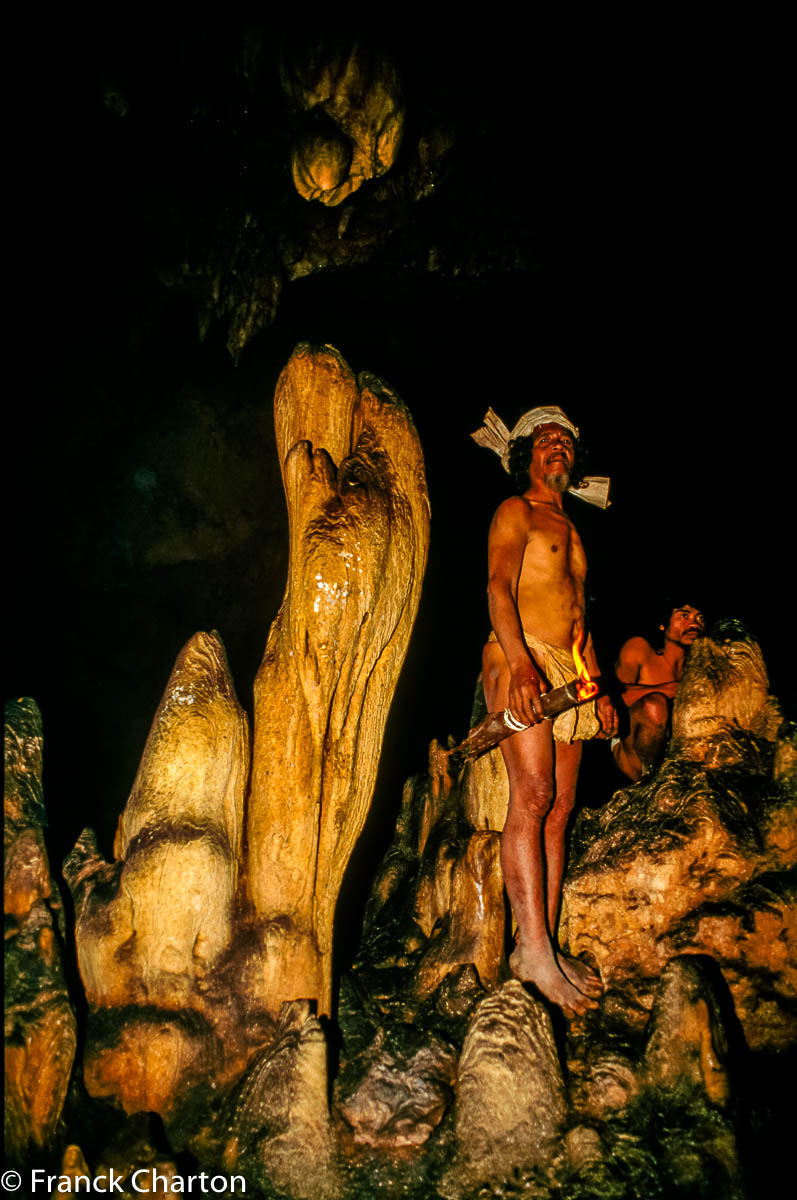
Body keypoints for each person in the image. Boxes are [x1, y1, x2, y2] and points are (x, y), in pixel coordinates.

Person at [471, 406, 618, 1017]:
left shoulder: (575, 530)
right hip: (519, 656)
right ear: (526, 455)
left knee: (559, 809)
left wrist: (599, 686)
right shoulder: (516, 513)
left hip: (571, 671)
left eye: (565, 441)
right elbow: (497, 589)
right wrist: (521, 662)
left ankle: (544, 947)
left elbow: (578, 617)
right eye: (545, 440)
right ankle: (529, 951)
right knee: (531, 795)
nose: (557, 446)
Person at [610, 601, 705, 781]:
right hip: (631, 748)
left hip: (677, 752)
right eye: (684, 616)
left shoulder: (699, 666)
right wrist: (672, 690)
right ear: (663, 624)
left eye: (700, 618)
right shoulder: (640, 649)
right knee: (654, 705)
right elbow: (614, 697)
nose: (694, 624)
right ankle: (650, 780)